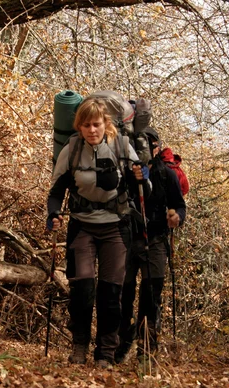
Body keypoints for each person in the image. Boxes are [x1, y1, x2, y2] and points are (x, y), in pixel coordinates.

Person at [46, 97, 151, 368]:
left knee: (111, 292)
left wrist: (142, 177)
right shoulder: (71, 149)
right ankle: (79, 346)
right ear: (79, 127)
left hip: (116, 226)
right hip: (82, 225)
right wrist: (54, 214)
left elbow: (144, 189)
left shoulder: (122, 146)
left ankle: (105, 351)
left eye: (97, 124)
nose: (92, 130)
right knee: (82, 289)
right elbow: (57, 191)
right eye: (86, 125)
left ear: (106, 124)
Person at [115, 127, 187, 366]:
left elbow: (179, 205)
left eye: (150, 146)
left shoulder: (167, 174)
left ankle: (146, 352)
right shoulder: (122, 173)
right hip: (125, 240)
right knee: (121, 296)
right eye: (141, 147)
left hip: (155, 240)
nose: (146, 151)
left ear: (157, 147)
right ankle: (120, 345)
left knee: (151, 296)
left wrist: (177, 216)